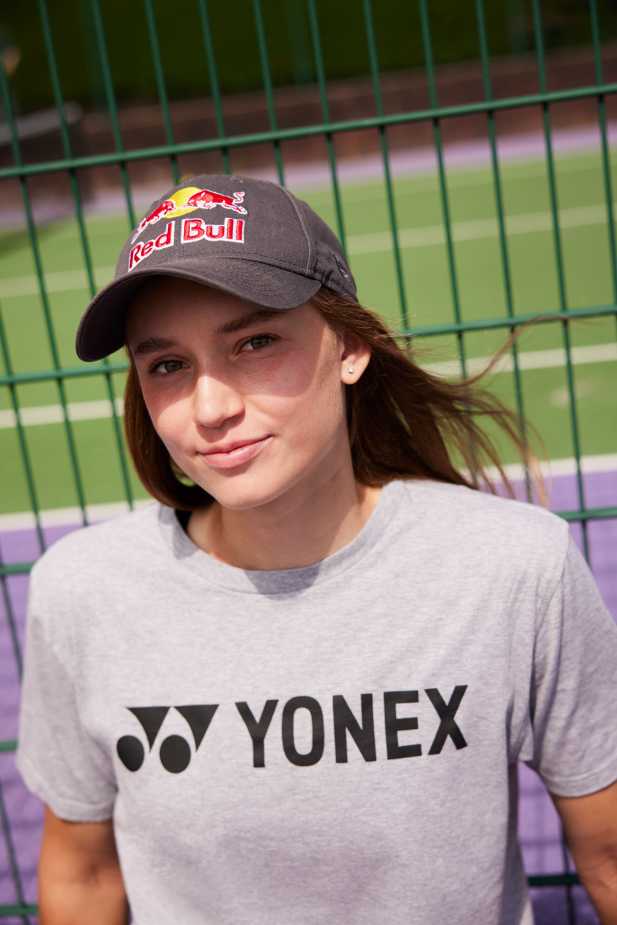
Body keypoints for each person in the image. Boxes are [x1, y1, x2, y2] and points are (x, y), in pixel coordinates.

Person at [15, 174, 617, 925]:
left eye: (255, 342)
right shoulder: (83, 591)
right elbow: (83, 872)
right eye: (167, 364)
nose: (211, 408)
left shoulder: (513, 568)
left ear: (351, 346)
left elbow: (607, 852)